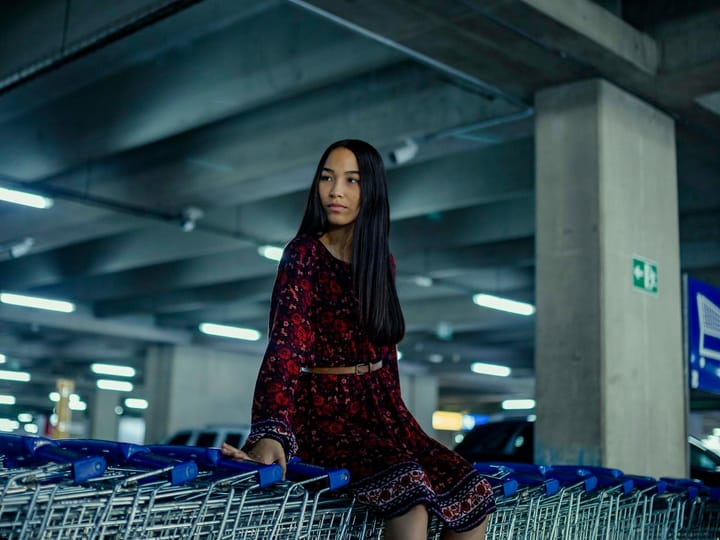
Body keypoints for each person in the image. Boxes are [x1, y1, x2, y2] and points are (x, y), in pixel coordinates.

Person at [221, 139, 495, 539]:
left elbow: (386, 350)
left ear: (372, 191)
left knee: (473, 493)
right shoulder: (303, 254)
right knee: (410, 499)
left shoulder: (382, 263)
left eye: (352, 180)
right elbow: (285, 348)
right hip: (322, 413)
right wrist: (270, 431)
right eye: (327, 178)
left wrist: (402, 425)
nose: (336, 191)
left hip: (379, 409)